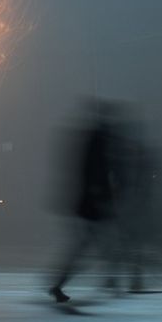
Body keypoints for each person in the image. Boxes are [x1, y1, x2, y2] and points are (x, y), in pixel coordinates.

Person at [49, 100, 117, 304]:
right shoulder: (99, 141)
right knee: (88, 247)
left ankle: (60, 283)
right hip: (93, 205)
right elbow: (98, 173)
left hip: (89, 204)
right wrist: (104, 198)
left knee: (88, 247)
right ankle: (58, 284)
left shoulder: (92, 139)